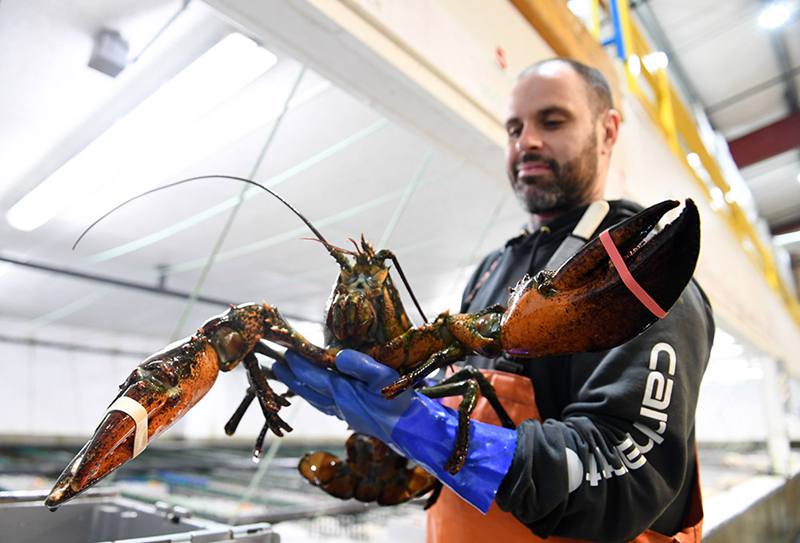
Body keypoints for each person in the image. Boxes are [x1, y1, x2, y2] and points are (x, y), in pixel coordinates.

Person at [274, 58, 714, 543]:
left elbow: (628, 480)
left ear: (607, 130)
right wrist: (403, 416)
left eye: (552, 121)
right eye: (514, 129)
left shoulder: (638, 277)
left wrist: (437, 434)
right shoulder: (491, 270)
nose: (527, 142)